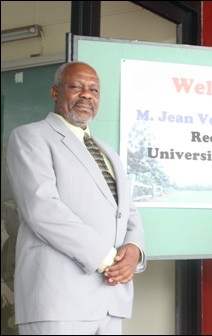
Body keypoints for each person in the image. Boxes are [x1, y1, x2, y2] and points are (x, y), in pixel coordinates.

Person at [7, 61, 147, 335]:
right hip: (58, 298)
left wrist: (134, 251)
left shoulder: (107, 152)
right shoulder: (30, 137)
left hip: (110, 300)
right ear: (55, 92)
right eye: (76, 87)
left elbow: (128, 212)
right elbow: (42, 209)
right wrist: (109, 260)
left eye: (94, 90)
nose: (87, 95)